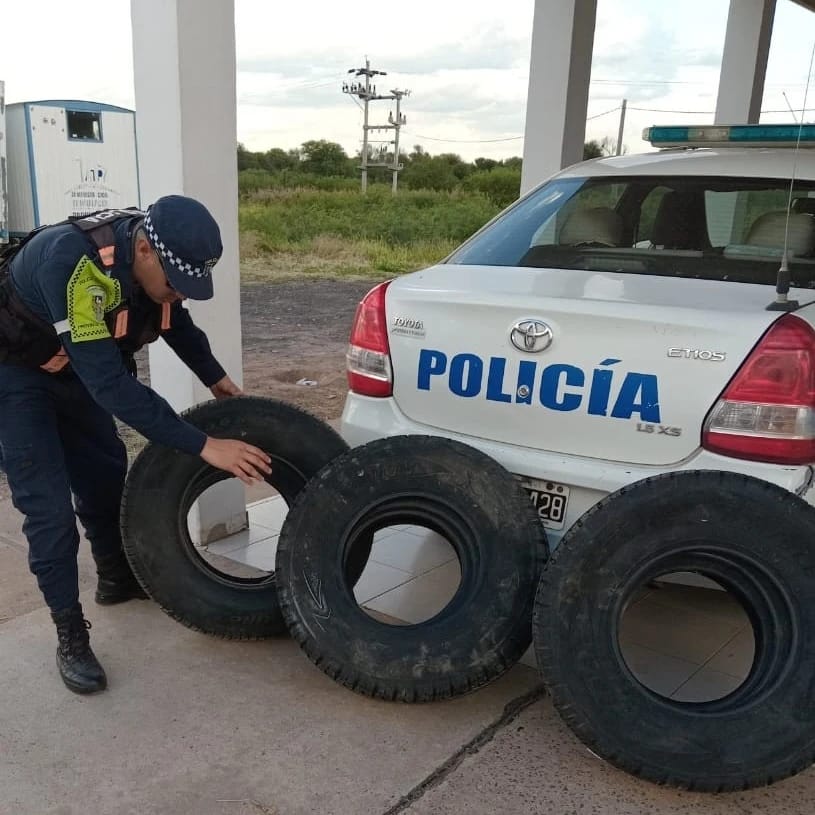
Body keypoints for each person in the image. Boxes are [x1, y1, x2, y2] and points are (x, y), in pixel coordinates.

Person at [0, 195, 271, 695]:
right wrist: (204, 444)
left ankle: (115, 578)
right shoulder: (74, 264)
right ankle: (69, 632)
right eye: (173, 284)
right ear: (144, 250)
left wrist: (216, 379)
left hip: (80, 372)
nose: (175, 295)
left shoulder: (156, 271)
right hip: (18, 376)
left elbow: (174, 323)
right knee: (49, 512)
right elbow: (111, 387)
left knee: (105, 480)